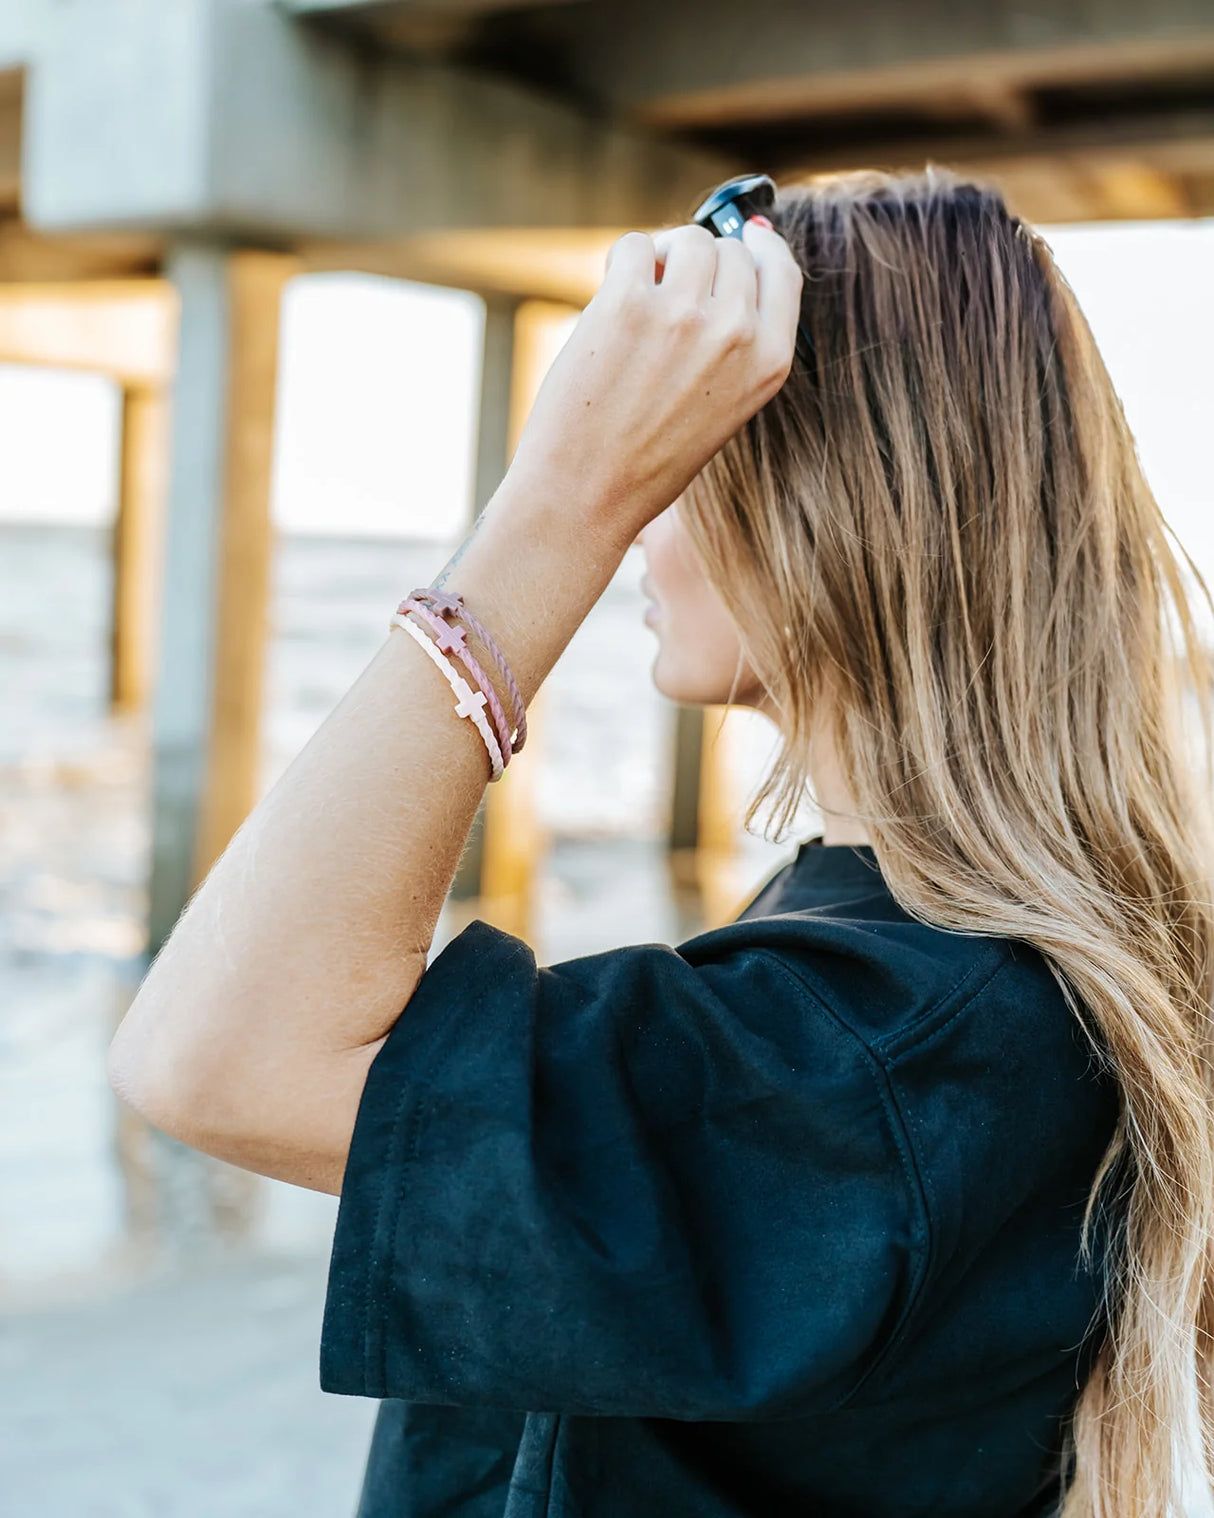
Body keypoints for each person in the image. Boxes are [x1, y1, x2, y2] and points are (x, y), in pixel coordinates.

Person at [106, 167, 1214, 1518]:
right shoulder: (936, 997)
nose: (641, 520)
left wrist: (559, 500)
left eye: (674, 462)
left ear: (835, 503)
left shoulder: (873, 1057)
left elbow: (212, 1052)